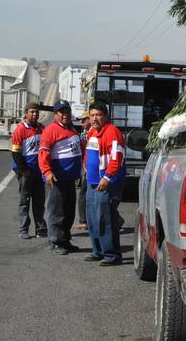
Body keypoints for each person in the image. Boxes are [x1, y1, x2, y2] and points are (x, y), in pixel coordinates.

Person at [38, 100, 83, 255]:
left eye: (67, 112)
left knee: (69, 212)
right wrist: (47, 172)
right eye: (61, 112)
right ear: (55, 114)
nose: (65, 115)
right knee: (56, 212)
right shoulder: (51, 130)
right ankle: (55, 242)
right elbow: (43, 153)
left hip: (69, 179)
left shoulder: (72, 129)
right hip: (56, 180)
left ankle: (65, 240)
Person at [84, 102, 126, 265]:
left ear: (105, 116)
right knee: (93, 219)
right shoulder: (92, 132)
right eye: (92, 115)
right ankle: (98, 251)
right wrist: (86, 170)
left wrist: (107, 177)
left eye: (98, 115)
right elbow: (88, 154)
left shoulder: (112, 132)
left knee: (106, 220)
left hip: (106, 184)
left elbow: (117, 158)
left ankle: (112, 255)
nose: (95, 118)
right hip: (92, 182)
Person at [11, 102, 46, 239]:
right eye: (31, 112)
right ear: (26, 113)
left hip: (39, 172)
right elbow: (15, 152)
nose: (34, 114)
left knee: (39, 201)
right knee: (24, 201)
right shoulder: (20, 130)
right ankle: (23, 229)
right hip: (26, 172)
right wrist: (24, 170)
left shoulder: (42, 128)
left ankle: (40, 228)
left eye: (36, 112)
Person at [75, 111, 92, 230]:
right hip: (85, 168)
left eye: (83, 120)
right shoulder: (84, 133)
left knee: (83, 195)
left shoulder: (91, 134)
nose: (81, 123)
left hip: (89, 170)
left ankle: (84, 220)